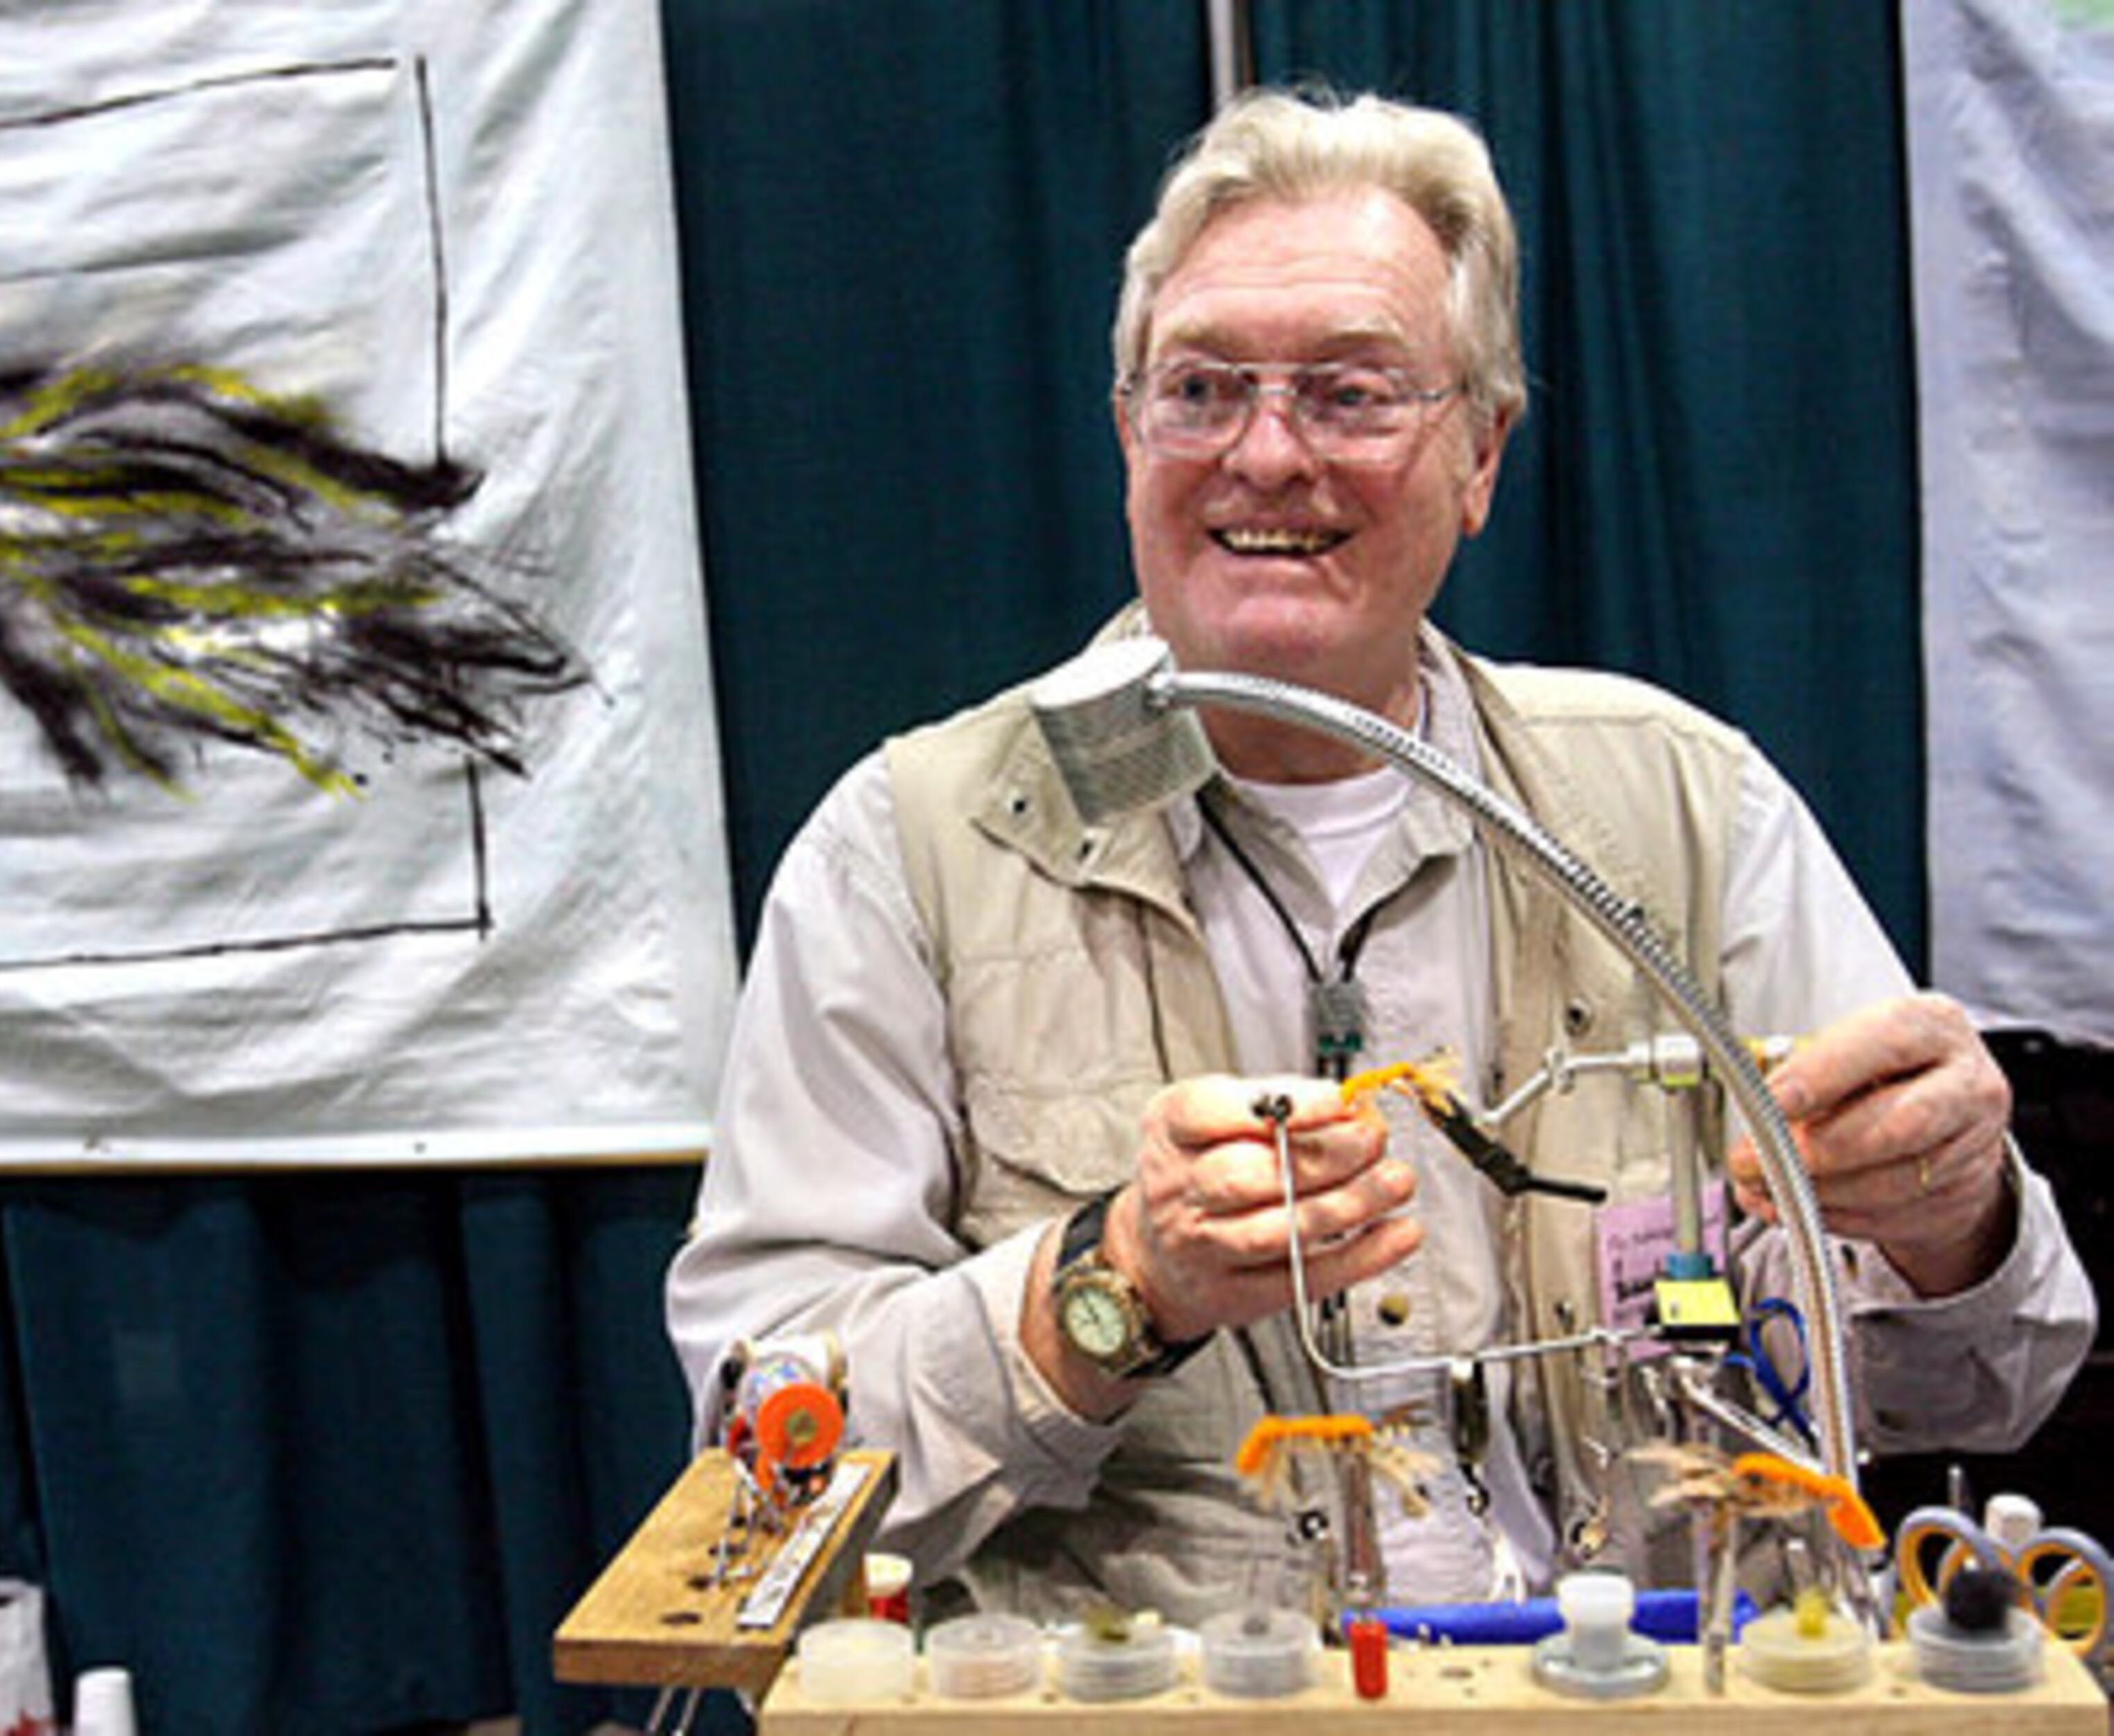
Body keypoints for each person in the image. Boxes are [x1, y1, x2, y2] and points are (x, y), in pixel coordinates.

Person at [665, 85, 2095, 1625]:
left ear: (1481, 454)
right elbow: (759, 1473)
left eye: (1352, 394)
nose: (1266, 456)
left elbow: (1990, 1377)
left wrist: (1950, 1221)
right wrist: (1111, 1291)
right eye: (1202, 390)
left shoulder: (1685, 807)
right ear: (1128, 435)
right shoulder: (914, 852)